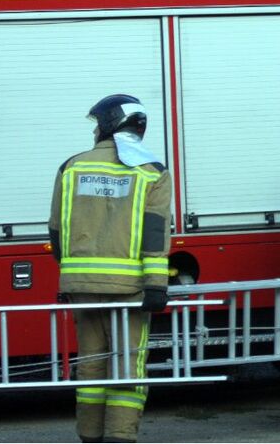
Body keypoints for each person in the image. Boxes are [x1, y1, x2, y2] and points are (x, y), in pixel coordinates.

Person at [48, 94, 172, 443]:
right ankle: (119, 436)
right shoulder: (152, 172)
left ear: (108, 124)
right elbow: (154, 233)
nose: (95, 132)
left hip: (82, 286)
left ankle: (89, 435)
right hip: (129, 290)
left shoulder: (71, 167)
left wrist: (72, 273)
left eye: (97, 125)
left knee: (91, 363)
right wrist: (156, 284)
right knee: (127, 366)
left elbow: (56, 230)